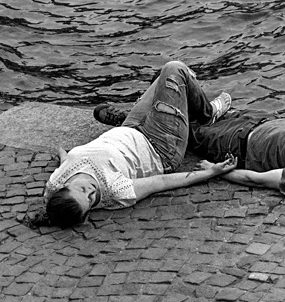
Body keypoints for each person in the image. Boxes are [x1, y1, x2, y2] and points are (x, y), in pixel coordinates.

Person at [40, 60, 236, 228]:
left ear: (64, 186)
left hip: (130, 127)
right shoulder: (115, 190)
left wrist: (63, 155)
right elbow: (162, 182)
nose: (92, 191)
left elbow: (66, 163)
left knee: (162, 79)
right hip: (160, 146)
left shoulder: (54, 183)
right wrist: (211, 172)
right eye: (91, 201)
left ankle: (179, 115)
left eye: (83, 190)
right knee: (175, 70)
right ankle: (207, 115)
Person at [95, 105, 285, 198]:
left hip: (236, 143)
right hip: (262, 119)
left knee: (183, 129)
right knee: (198, 110)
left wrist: (217, 171)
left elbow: (257, 180)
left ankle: (130, 120)